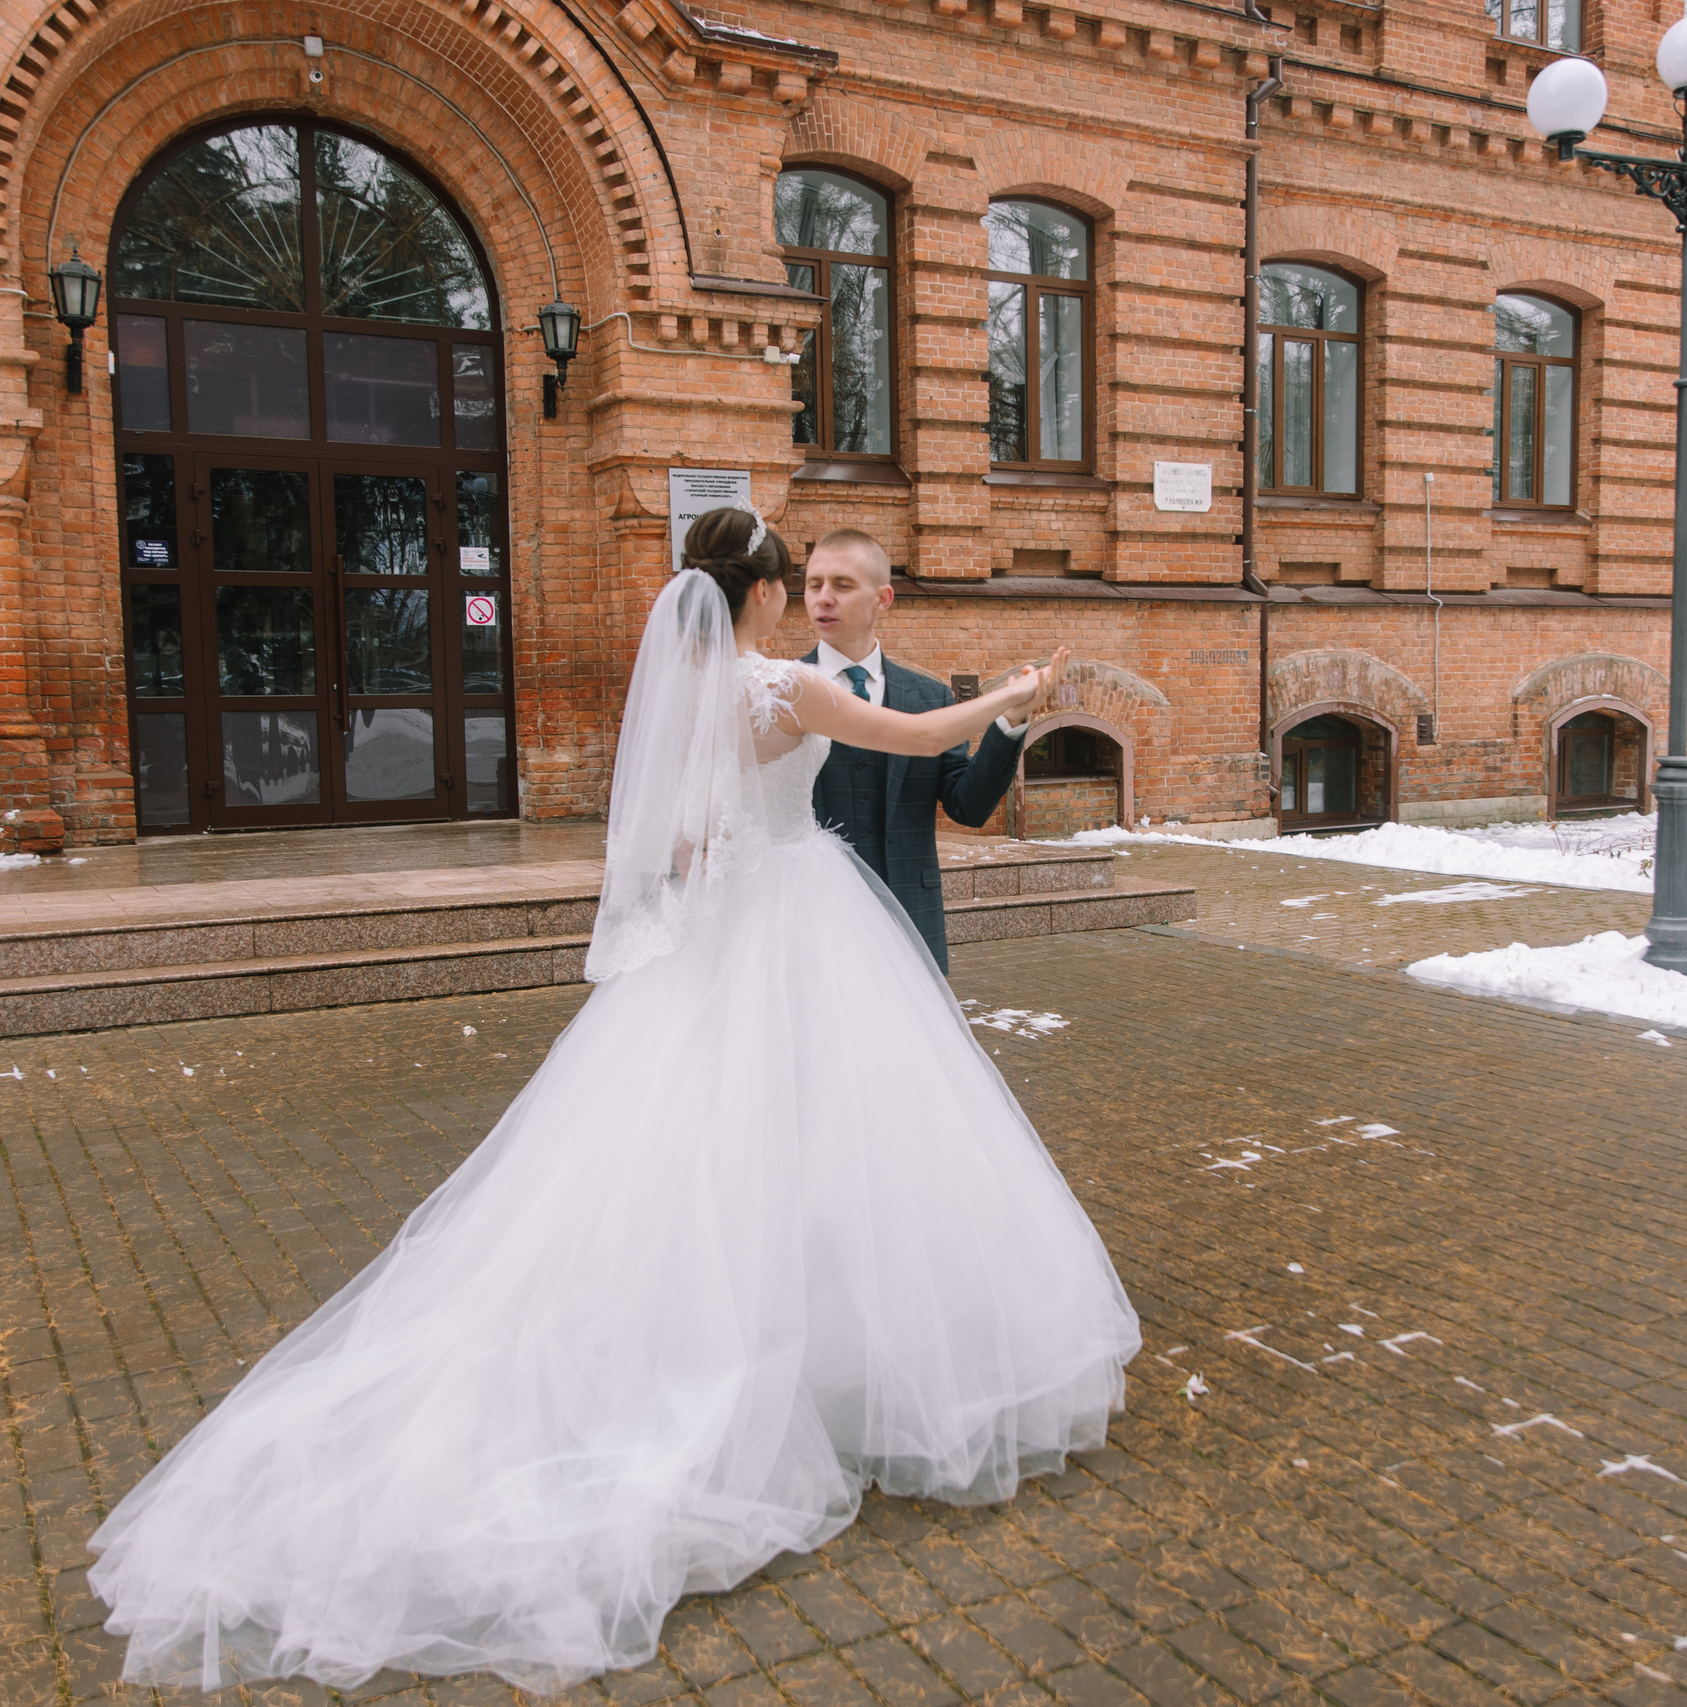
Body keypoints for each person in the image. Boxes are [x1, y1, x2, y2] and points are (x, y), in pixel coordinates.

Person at [87, 506, 1141, 1696]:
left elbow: (681, 837)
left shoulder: (697, 696)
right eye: (792, 585)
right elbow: (911, 733)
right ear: (757, 599)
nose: (804, 601)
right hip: (801, 921)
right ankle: (802, 1368)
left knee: (708, 1151)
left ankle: (770, 1342)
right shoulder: (779, 692)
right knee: (816, 1136)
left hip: (722, 939)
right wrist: (1010, 690)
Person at [801, 527, 1029, 971]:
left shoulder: (929, 698)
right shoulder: (780, 691)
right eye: (814, 584)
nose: (823, 598)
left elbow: (968, 807)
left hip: (910, 919)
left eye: (842, 585)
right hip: (810, 921)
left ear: (883, 599)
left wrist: (1011, 721)